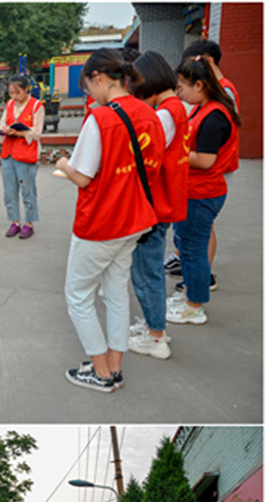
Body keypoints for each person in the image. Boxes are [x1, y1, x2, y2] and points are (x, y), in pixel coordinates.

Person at [55, 47, 164, 392]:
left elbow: (84, 176)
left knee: (78, 294)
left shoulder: (100, 119)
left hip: (102, 221)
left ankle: (101, 372)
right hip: (135, 220)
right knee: (116, 292)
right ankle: (114, 366)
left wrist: (62, 165)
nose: (89, 93)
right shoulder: (150, 114)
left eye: (88, 86)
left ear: (98, 78)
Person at [166, 56, 240, 327]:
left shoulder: (214, 116)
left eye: (182, 87)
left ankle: (194, 306)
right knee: (186, 246)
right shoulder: (204, 108)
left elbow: (206, 159)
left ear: (200, 85)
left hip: (203, 192)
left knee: (194, 249)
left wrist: (173, 154)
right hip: (194, 190)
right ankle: (189, 294)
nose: (180, 92)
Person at [127, 51, 189, 360]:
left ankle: (156, 337)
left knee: (145, 271)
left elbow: (142, 157)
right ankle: (155, 326)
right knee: (147, 268)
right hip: (165, 200)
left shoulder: (165, 113)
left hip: (155, 204)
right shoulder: (175, 108)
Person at [0, 73, 44, 239]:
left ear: (26, 89)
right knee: (9, 190)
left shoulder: (36, 106)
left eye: (18, 92)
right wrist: (5, 130)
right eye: (11, 92)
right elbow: (2, 122)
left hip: (25, 154)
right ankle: (14, 221)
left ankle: (29, 223)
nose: (14, 96)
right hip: (8, 153)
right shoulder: (10, 104)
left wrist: (19, 132)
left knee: (27, 190)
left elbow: (37, 132)